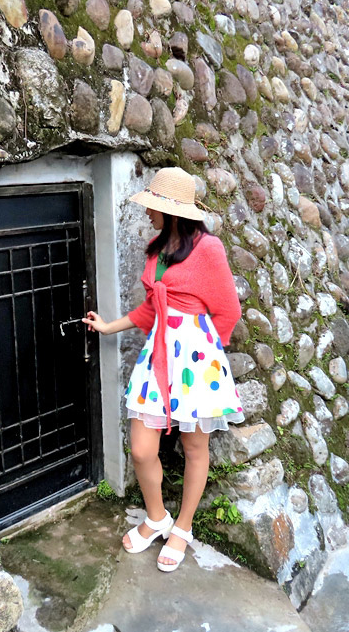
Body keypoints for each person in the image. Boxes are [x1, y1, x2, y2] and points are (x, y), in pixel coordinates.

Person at [83, 166, 243, 572]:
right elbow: (151, 309)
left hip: (196, 360)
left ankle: (182, 527)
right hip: (158, 356)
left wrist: (206, 355)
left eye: (153, 207)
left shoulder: (209, 249)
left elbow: (228, 309)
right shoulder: (156, 250)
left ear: (174, 212)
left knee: (194, 447)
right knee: (141, 448)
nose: (147, 214)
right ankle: (157, 518)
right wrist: (108, 326)